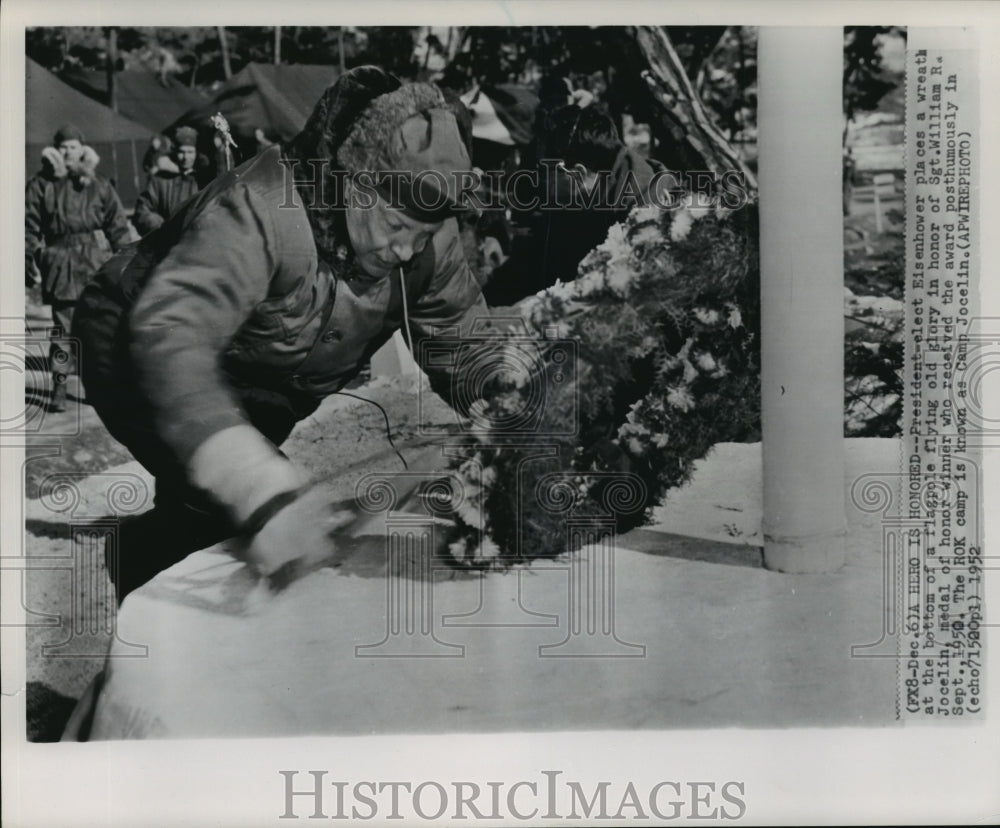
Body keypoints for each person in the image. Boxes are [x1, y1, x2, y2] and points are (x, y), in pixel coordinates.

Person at [73, 66, 493, 602]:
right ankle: (149, 624)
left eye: (425, 233)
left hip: (261, 366)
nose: (408, 251)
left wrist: (516, 414)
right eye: (394, 227)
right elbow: (174, 333)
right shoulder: (265, 206)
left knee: (237, 516)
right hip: (139, 333)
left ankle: (156, 549)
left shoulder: (428, 236)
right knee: (231, 507)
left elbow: (463, 337)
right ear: (355, 182)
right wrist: (252, 482)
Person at [483, 104, 665, 306]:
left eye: (543, 173)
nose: (539, 182)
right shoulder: (581, 190)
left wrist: (544, 305)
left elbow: (630, 301)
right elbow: (538, 257)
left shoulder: (648, 215)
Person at [25, 124, 132, 411]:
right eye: (62, 147)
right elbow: (27, 226)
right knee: (63, 332)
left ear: (82, 150)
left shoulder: (98, 185)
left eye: (72, 146)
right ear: (54, 151)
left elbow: (117, 226)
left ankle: (97, 388)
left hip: (94, 265)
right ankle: (59, 388)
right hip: (60, 266)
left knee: (97, 330)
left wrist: (127, 262)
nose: (67, 151)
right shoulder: (41, 185)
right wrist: (25, 261)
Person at [133, 127, 212, 235]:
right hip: (167, 243)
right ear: (174, 152)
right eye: (181, 152)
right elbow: (143, 210)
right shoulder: (161, 180)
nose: (186, 157)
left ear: (197, 153)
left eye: (190, 152)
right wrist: (161, 228)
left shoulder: (204, 178)